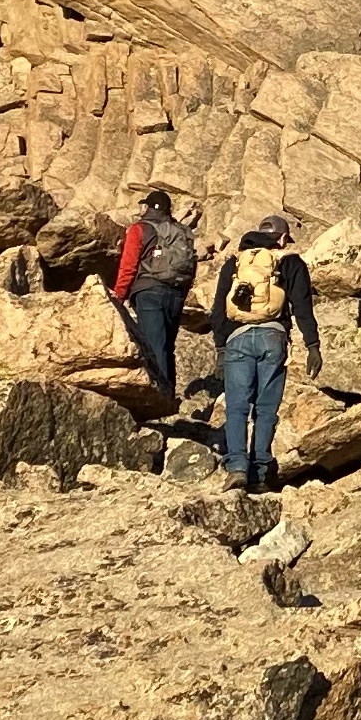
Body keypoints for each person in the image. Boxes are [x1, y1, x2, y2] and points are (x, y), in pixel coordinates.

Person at [207, 214, 323, 493]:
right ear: (282, 238)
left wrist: (221, 348)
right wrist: (312, 346)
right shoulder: (289, 262)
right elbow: (302, 307)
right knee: (266, 408)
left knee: (236, 406)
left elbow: (219, 310)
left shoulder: (235, 264)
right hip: (273, 337)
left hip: (237, 339)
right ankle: (259, 472)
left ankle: (236, 467)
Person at [111, 188, 200, 400]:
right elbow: (190, 265)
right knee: (167, 345)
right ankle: (169, 393)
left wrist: (119, 295)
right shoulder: (182, 231)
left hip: (149, 292)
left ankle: (160, 396)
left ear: (148, 207)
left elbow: (129, 264)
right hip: (175, 293)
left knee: (153, 344)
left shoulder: (140, 229)